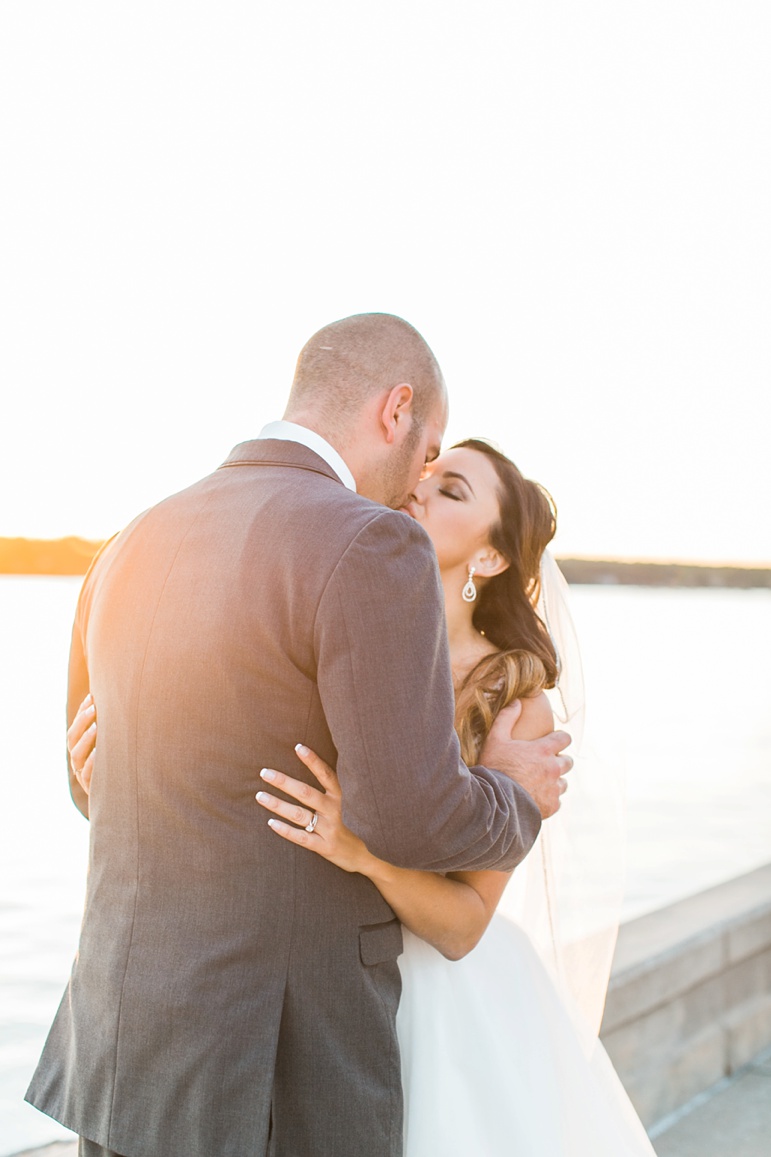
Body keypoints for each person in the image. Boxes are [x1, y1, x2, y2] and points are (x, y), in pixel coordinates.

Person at [28, 313, 572, 1157]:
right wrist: (511, 790)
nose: (416, 481)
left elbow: (88, 782)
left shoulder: (132, 537)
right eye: (427, 452)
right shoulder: (368, 539)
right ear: (396, 411)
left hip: (121, 1046)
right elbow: (407, 817)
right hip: (268, 1073)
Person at [252, 439, 657, 1155]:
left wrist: (361, 853)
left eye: (454, 491)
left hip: (441, 1002)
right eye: (429, 474)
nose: (423, 486)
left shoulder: (515, 709)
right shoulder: (345, 629)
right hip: (318, 984)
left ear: (490, 558)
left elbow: (464, 924)